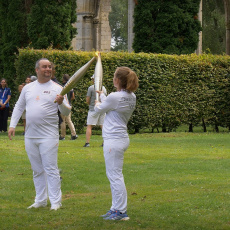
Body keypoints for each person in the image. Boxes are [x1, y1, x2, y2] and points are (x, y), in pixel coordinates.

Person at [8, 58, 71, 211]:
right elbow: (18, 106)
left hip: (49, 136)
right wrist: (12, 125)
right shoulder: (28, 88)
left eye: (50, 67)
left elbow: (66, 111)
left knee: (50, 168)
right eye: (44, 67)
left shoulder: (58, 88)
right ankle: (40, 200)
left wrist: (61, 102)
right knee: (37, 169)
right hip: (30, 135)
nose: (48, 69)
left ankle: (56, 202)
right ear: (37, 70)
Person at [94, 67, 139, 220]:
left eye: (114, 77)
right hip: (121, 139)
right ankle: (115, 208)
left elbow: (98, 109)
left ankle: (121, 211)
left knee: (114, 175)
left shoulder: (114, 97)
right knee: (114, 174)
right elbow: (115, 104)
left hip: (113, 140)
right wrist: (104, 96)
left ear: (117, 80)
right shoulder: (132, 96)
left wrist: (97, 100)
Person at [83, 75, 107, 147]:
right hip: (102, 109)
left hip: (93, 109)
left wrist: (91, 104)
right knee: (103, 126)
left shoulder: (91, 88)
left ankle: (87, 143)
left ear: (94, 80)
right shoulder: (104, 88)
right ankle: (105, 142)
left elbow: (87, 100)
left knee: (89, 126)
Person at [59, 74, 78, 140]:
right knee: (69, 120)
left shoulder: (62, 87)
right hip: (69, 105)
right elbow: (73, 97)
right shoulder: (70, 87)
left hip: (63, 105)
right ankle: (74, 134)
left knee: (62, 121)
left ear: (63, 79)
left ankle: (62, 135)